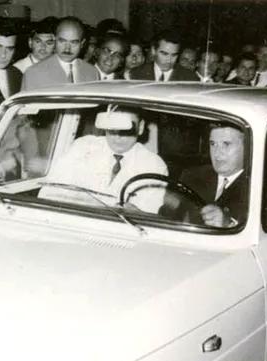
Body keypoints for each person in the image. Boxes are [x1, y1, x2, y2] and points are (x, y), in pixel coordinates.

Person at [39, 107, 168, 214]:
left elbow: (149, 215)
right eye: (112, 128)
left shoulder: (154, 165)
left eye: (126, 129)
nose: (117, 136)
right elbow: (50, 193)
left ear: (141, 127)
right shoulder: (83, 147)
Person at [178, 124, 267, 228]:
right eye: (213, 144)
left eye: (226, 144)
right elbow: (172, 215)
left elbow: (266, 229)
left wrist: (228, 224)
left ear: (248, 148)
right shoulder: (192, 175)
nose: (217, 153)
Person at [21, 16, 99, 90]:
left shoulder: (92, 72)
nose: (67, 49)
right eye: (62, 41)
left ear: (82, 43)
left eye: (74, 42)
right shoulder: (34, 73)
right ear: (54, 39)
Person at [129, 30, 197, 82]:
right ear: (154, 51)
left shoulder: (190, 78)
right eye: (164, 54)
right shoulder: (135, 74)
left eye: (174, 55)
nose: (169, 60)